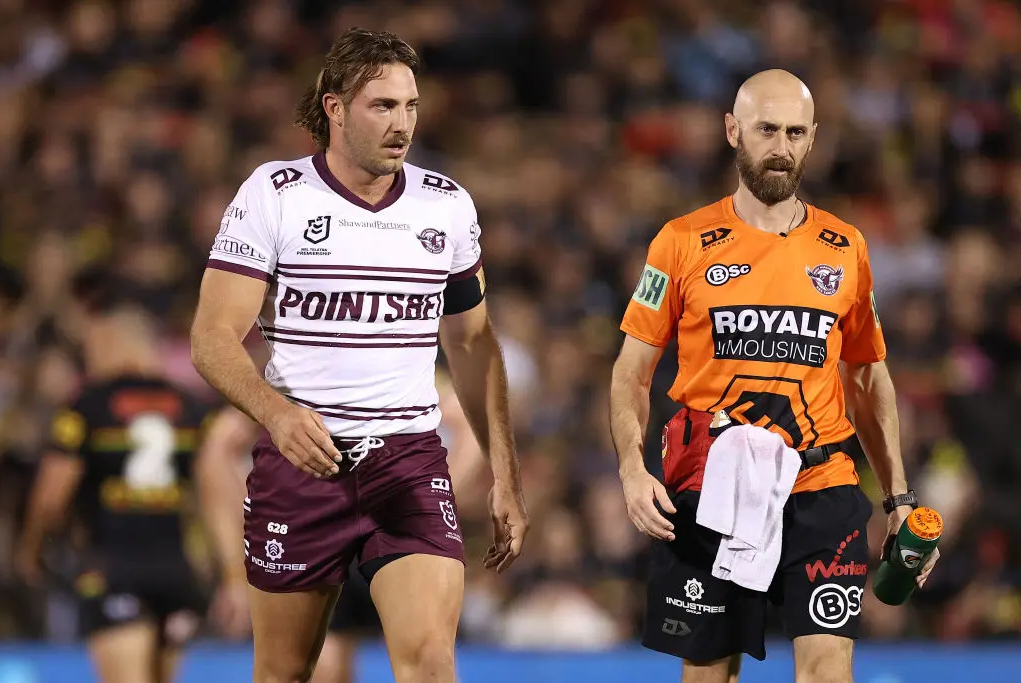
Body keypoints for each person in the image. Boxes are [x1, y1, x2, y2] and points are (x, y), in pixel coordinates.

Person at [189, 27, 527, 683]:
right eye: (383, 106)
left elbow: (473, 344)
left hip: (408, 459)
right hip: (304, 462)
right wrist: (277, 415)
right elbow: (211, 337)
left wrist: (506, 473)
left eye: (411, 106)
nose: (403, 124)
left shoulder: (447, 206)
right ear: (335, 108)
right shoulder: (275, 194)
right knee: (284, 671)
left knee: (431, 662)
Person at [609, 69, 940, 683]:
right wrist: (632, 469)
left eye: (795, 132)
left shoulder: (845, 247)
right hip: (712, 485)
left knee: (827, 671)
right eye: (766, 129)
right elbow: (632, 371)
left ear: (813, 138)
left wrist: (899, 500)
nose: (781, 147)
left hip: (821, 483)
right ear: (732, 130)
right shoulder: (680, 242)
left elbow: (868, 379)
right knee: (709, 674)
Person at [15, 297, 209, 683]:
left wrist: (32, 547)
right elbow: (212, 489)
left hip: (113, 565)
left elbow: (52, 494)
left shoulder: (88, 405)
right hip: (177, 568)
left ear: (113, 343)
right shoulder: (191, 407)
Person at [197, 404, 383, 683]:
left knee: (343, 663)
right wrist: (236, 571)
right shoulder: (286, 388)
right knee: (320, 665)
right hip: (309, 521)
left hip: (369, 515)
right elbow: (218, 450)